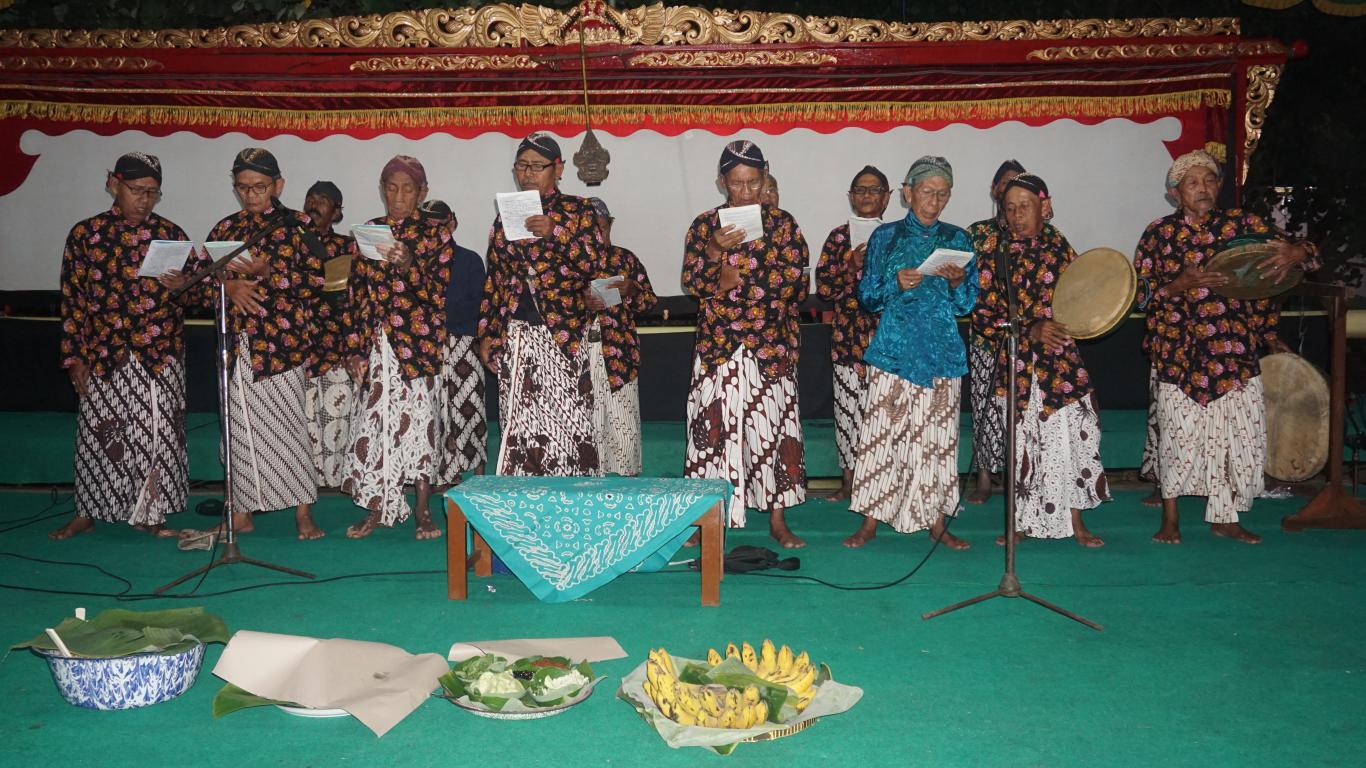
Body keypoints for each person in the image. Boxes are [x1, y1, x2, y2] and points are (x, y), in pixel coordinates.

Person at [1135, 150, 1319, 545]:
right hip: (1178, 350)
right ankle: (1171, 518)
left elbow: (1306, 256)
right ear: (1174, 193)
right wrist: (1178, 286)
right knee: (1176, 437)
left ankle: (1226, 516)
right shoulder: (1158, 234)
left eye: (1209, 180)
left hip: (1233, 348)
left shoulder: (1243, 226)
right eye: (1192, 182)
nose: (1203, 188)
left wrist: (1296, 251)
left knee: (1233, 436)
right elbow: (1140, 295)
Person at [51, 153, 210, 540]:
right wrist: (74, 358)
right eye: (136, 190)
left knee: (157, 434)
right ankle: (89, 510)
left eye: (153, 193)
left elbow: (203, 293)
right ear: (113, 184)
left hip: (158, 354)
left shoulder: (171, 235)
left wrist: (183, 287)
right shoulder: (86, 234)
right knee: (98, 434)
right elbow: (73, 301)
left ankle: (152, 513)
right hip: (104, 353)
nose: (144, 200)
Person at [843, 156, 975, 549]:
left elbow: (967, 304)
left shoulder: (958, 239)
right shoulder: (886, 237)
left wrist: (956, 283)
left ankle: (936, 521)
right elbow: (867, 298)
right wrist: (896, 284)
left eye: (943, 193)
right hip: (894, 351)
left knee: (938, 440)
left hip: (941, 353)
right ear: (907, 192)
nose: (934, 201)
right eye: (927, 192)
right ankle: (870, 520)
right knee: (881, 436)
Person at [683, 140, 808, 548]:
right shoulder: (704, 225)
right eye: (737, 183)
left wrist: (735, 285)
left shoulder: (783, 224)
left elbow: (794, 283)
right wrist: (714, 251)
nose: (747, 192)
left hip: (769, 347)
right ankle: (705, 520)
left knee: (775, 431)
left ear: (765, 176)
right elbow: (692, 284)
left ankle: (777, 518)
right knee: (710, 431)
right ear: (722, 182)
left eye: (754, 182)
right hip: (719, 347)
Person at [977, 173, 1108, 547]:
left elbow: (1086, 298)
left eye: (1026, 206)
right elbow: (986, 318)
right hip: (1018, 370)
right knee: (1022, 447)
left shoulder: (1061, 247)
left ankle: (1075, 521)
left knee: (1071, 442)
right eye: (1011, 208)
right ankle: (1020, 523)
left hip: (1062, 368)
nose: (1018, 215)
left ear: (1044, 207)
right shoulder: (993, 254)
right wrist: (1030, 327)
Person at [203, 148, 325, 540]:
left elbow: (317, 282)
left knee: (289, 429)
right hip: (237, 347)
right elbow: (201, 280)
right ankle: (241, 514)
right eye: (243, 187)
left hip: (281, 346)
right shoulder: (224, 229)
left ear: (278, 186)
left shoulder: (299, 225)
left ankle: (303, 513)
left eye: (259, 187)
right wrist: (228, 285)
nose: (251, 195)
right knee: (237, 430)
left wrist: (270, 273)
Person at [477, 132, 602, 476]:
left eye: (537, 166)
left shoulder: (580, 210)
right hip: (516, 332)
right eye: (522, 166)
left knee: (570, 420)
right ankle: (523, 498)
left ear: (558, 169)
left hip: (564, 335)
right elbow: (495, 279)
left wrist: (556, 232)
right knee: (519, 421)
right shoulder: (504, 217)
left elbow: (593, 264)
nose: (528, 173)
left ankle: (574, 496)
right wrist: (486, 333)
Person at [343, 156, 453, 539]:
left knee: (420, 425)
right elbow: (357, 295)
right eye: (391, 187)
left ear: (422, 193)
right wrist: (354, 348)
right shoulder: (369, 232)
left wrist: (410, 265)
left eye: (407, 189)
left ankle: (422, 510)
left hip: (418, 348)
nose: (398, 196)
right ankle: (376, 506)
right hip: (377, 346)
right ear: (382, 189)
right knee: (375, 424)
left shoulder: (435, 235)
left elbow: (437, 293)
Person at [815, 165, 891, 501]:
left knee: (886, 415)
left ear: (887, 197)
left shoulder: (897, 235)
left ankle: (886, 483)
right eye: (860, 190)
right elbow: (824, 290)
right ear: (850, 196)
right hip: (847, 341)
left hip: (889, 342)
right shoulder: (837, 237)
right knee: (848, 413)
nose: (867, 196)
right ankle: (849, 482)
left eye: (875, 190)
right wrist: (849, 266)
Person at [965, 159, 1025, 504]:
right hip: (987, 337)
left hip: (1029, 341)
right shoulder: (977, 233)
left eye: (1020, 183)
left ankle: (1021, 476)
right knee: (985, 407)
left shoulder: (1042, 234)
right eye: (1005, 184)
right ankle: (985, 477)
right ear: (994, 191)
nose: (1011, 189)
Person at [584, 197, 657, 475]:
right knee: (588, 422)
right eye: (591, 229)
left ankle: (627, 481)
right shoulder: (568, 262)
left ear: (610, 224)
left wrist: (633, 291)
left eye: (602, 227)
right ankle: (588, 484)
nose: (598, 235)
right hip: (580, 355)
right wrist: (582, 302)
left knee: (623, 424)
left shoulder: (625, 259)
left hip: (620, 356)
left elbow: (650, 303)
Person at [420, 199, 488, 487]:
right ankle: (445, 474)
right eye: (428, 225)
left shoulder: (470, 259)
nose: (436, 230)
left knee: (470, 408)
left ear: (453, 223)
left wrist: (443, 315)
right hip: (428, 346)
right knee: (434, 412)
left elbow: (481, 305)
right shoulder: (416, 262)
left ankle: (479, 474)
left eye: (441, 224)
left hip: (464, 344)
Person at [301, 181, 356, 533]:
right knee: (302, 423)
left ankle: (334, 488)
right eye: (311, 199)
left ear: (337, 211)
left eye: (323, 201)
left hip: (337, 349)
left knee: (336, 421)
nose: (315, 204)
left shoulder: (346, 248)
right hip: (299, 349)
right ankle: (303, 489)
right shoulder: (292, 241)